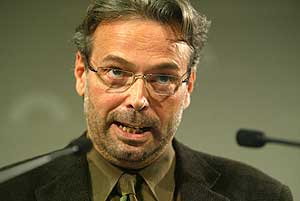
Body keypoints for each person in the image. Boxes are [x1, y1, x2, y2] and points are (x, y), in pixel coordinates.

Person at [0, 0, 294, 200]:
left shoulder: (260, 194)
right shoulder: (12, 192)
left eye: (163, 78)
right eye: (116, 72)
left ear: (188, 85)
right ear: (81, 73)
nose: (138, 99)